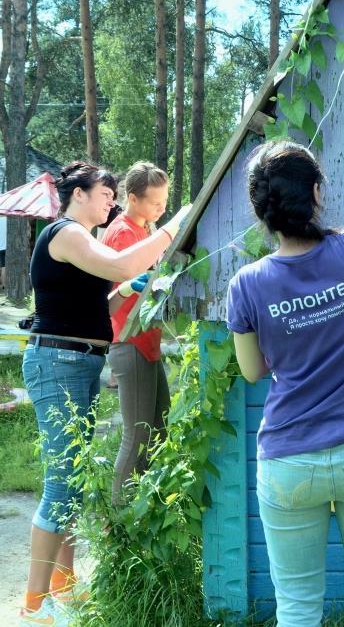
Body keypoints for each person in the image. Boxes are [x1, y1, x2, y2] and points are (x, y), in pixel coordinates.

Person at [226, 140, 344, 627]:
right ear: (315, 193)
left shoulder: (247, 284)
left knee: (296, 607)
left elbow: (252, 371)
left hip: (290, 459)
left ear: (260, 209)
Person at [20, 161, 190, 625]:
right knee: (61, 483)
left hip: (78, 360)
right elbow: (120, 263)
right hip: (59, 361)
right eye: (104, 193)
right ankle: (34, 604)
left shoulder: (83, 240)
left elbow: (103, 296)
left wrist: (128, 289)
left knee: (72, 480)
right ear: (78, 194)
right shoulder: (65, 232)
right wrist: (172, 225)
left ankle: (65, 589)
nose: (111, 200)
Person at [102, 162, 171, 504]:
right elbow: (116, 293)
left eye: (165, 201)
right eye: (155, 203)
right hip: (130, 343)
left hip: (148, 342)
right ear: (132, 198)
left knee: (158, 428)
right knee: (136, 435)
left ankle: (144, 509)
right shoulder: (122, 232)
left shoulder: (145, 228)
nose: (162, 208)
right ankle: (119, 525)